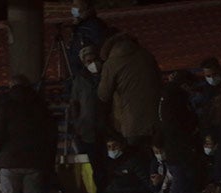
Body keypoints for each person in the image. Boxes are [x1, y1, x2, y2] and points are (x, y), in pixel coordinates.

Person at [155, 75, 200, 193]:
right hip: (181, 155)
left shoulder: (166, 99)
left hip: (177, 155)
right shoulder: (176, 100)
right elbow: (184, 125)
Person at [97, 32, 162, 147]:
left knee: (137, 157)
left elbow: (103, 95)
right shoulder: (146, 55)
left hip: (131, 121)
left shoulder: (111, 63)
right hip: (155, 118)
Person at [70, 45, 105, 173]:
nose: (93, 64)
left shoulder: (106, 75)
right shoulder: (80, 80)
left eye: (94, 60)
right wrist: (77, 123)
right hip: (87, 128)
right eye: (89, 61)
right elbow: (75, 102)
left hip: (107, 127)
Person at [66, 0, 110, 78]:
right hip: (76, 70)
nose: (73, 8)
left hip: (88, 73)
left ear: (85, 6)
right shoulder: (79, 25)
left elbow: (101, 47)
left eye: (76, 5)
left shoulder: (94, 26)